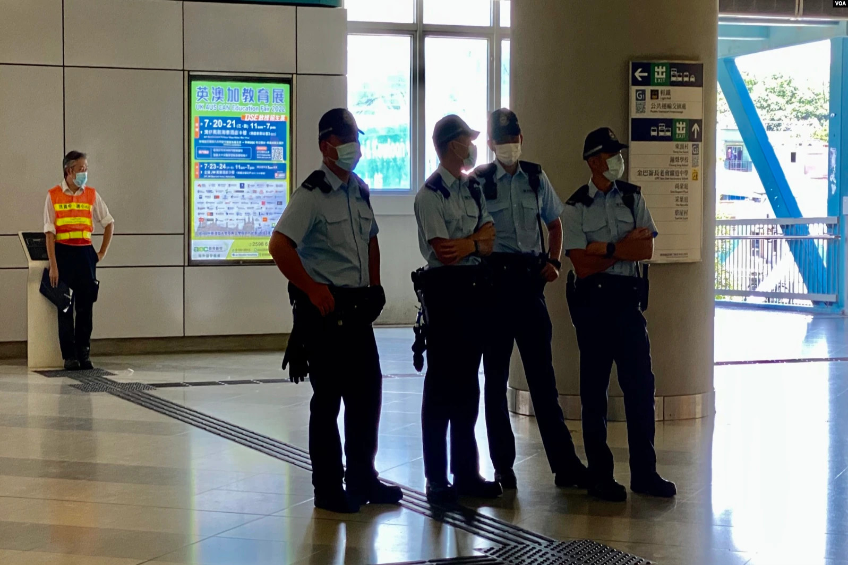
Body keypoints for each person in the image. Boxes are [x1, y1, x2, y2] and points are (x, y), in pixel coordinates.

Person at [269, 108, 402, 513]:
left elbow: (372, 238)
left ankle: (362, 476)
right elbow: (279, 245)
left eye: (356, 139)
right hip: (326, 312)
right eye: (346, 140)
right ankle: (327, 487)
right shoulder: (311, 195)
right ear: (326, 146)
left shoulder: (359, 190)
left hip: (358, 309)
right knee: (327, 401)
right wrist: (311, 289)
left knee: (367, 395)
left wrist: (375, 284)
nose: (354, 148)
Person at [471, 109, 588, 490]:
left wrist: (554, 261)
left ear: (521, 139)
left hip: (529, 283)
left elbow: (555, 223)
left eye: (514, 139)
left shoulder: (536, 177)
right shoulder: (479, 181)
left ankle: (565, 465)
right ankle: (503, 466)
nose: (509, 146)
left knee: (543, 380)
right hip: (494, 286)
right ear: (491, 143)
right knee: (496, 381)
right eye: (502, 140)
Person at [562, 127, 676, 502]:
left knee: (641, 389)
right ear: (594, 161)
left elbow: (645, 251)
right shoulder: (575, 207)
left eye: (618, 154)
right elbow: (582, 265)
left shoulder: (632, 197)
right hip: (593, 305)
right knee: (595, 393)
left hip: (628, 303)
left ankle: (645, 473)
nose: (618, 160)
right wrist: (622, 247)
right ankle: (600, 475)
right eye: (611, 155)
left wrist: (607, 249)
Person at [414, 114, 502, 504]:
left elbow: (491, 240)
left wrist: (470, 243)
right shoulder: (430, 194)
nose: (472, 146)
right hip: (445, 292)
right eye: (468, 140)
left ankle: (466, 473)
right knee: (440, 387)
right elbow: (445, 252)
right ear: (453, 145)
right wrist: (473, 243)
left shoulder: (473, 189)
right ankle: (436, 478)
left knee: (468, 386)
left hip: (475, 291)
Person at [44, 151, 114, 371]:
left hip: (85, 255)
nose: (85, 173)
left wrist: (100, 253)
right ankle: (69, 356)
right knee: (65, 308)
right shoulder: (53, 195)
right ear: (69, 170)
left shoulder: (92, 194)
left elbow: (109, 222)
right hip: (63, 254)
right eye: (81, 169)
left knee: (85, 308)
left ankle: (84, 353)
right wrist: (53, 265)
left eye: (86, 169)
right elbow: (49, 233)